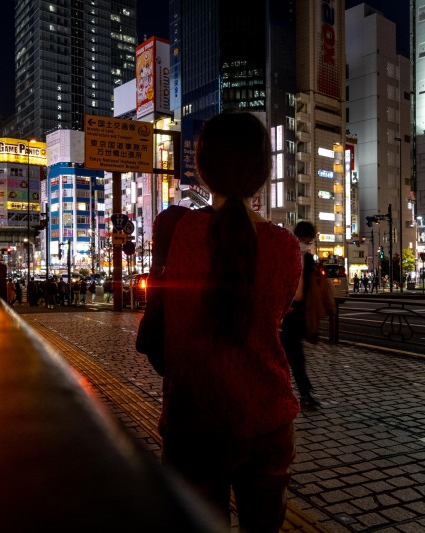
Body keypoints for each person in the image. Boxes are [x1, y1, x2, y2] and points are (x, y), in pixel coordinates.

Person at [152, 112, 301, 532]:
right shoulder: (286, 246)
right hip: (268, 417)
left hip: (195, 418)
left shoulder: (182, 232)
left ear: (203, 169)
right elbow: (276, 316)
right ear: (263, 174)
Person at [281, 221, 330, 409]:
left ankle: (303, 392)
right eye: (308, 239)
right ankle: (303, 393)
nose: (308, 243)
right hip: (290, 312)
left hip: (291, 312)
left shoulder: (299, 256)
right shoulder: (295, 255)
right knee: (294, 356)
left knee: (293, 355)